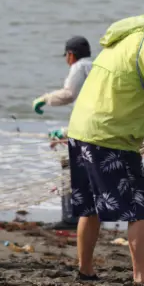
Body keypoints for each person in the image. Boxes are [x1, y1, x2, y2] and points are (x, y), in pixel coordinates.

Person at [66, 5, 144, 284]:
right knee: (141, 205)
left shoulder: (124, 39)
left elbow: (143, 92)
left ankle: (85, 271)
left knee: (90, 207)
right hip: (110, 136)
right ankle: (142, 277)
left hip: (81, 131)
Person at [32, 36, 94, 230]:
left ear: (70, 55)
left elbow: (69, 94)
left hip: (86, 127)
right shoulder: (96, 65)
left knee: (69, 166)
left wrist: (45, 99)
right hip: (102, 126)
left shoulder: (79, 67)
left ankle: (70, 218)